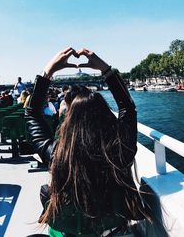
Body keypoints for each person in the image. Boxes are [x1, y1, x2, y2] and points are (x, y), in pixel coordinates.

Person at [25, 47, 145, 236]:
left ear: (69, 121)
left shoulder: (57, 153)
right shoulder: (119, 148)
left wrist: (48, 72)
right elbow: (127, 108)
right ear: (105, 116)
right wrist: (106, 70)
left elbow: (32, 114)